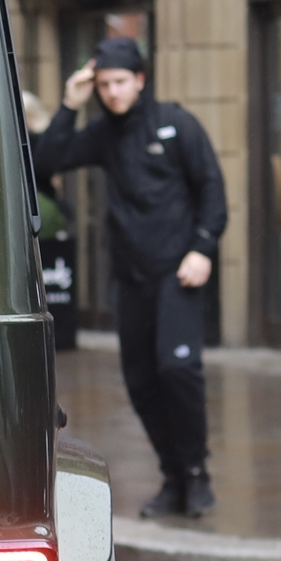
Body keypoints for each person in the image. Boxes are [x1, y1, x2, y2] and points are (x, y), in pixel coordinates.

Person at [35, 36, 228, 517]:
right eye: (103, 85)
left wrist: (203, 247)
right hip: (131, 279)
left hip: (178, 273)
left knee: (178, 370)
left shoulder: (177, 125)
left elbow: (213, 189)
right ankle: (173, 476)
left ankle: (198, 473)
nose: (112, 92)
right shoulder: (102, 134)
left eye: (120, 82)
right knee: (142, 383)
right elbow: (44, 164)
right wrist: (68, 105)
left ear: (140, 80)